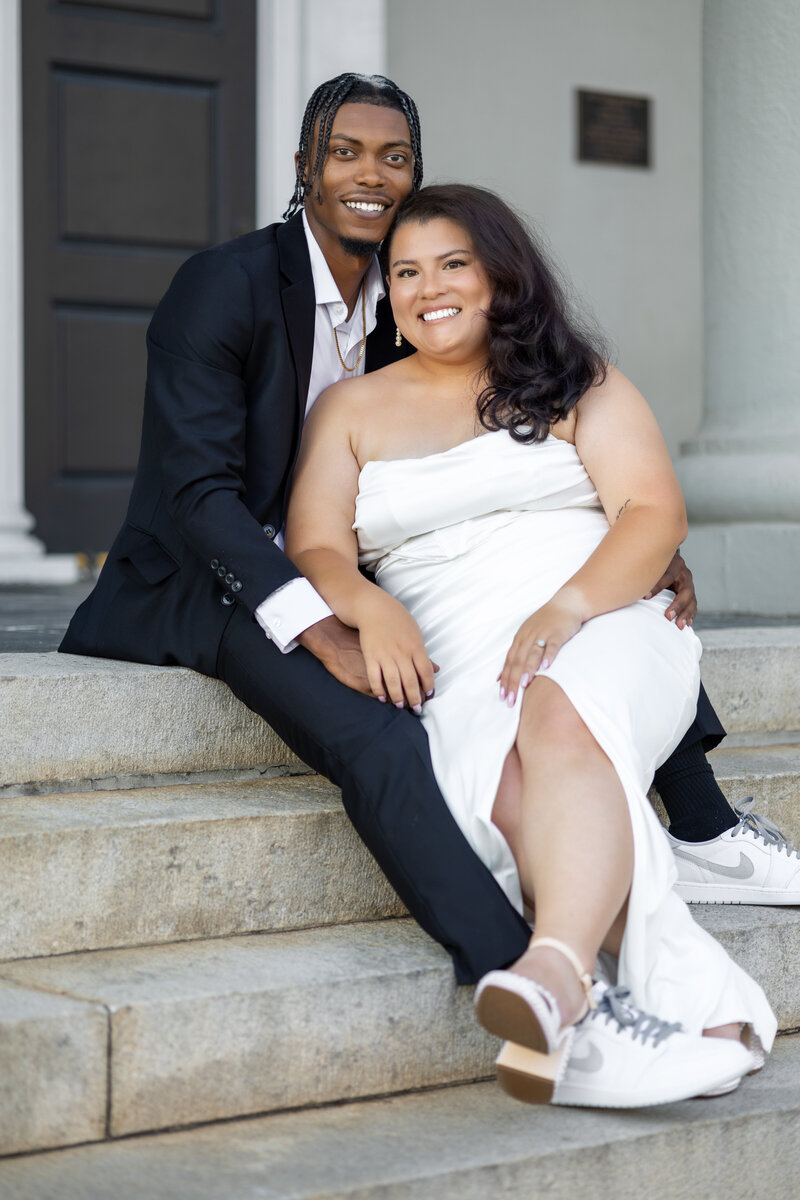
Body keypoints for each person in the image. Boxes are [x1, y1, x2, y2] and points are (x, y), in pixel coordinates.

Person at [59, 73, 799, 995]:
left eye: (395, 156)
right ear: (304, 169)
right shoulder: (225, 285)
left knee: (590, 584)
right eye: (345, 152)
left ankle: (698, 826)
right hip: (213, 574)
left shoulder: (407, 298)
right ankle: (519, 968)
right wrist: (327, 621)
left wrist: (635, 541)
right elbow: (198, 497)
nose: (371, 174)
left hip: (359, 556)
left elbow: (478, 456)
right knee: (382, 736)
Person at [284, 183, 777, 1107]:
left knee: (557, 712)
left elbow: (651, 512)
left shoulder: (577, 378)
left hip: (604, 623)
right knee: (503, 784)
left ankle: (553, 974)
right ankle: (693, 1009)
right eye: (405, 272)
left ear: (501, 276)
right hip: (460, 650)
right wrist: (365, 605)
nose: (428, 288)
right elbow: (316, 544)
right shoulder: (350, 408)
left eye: (453, 265)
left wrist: (568, 607)